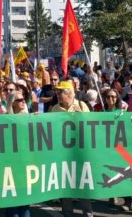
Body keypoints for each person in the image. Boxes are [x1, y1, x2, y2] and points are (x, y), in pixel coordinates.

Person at [50, 81, 91, 217]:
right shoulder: (55, 108)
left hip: (79, 152)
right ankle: (67, 212)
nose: (58, 94)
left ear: (68, 94)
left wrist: (82, 116)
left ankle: (87, 212)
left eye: (60, 92)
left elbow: (92, 126)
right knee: (65, 182)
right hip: (63, 153)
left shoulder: (81, 105)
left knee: (83, 182)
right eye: (57, 92)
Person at [4, 92, 30, 217]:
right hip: (9, 165)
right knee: (12, 201)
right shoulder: (4, 119)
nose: (23, 101)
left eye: (24, 99)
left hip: (25, 163)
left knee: (25, 201)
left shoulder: (28, 117)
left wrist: (37, 120)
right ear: (13, 103)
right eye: (20, 100)